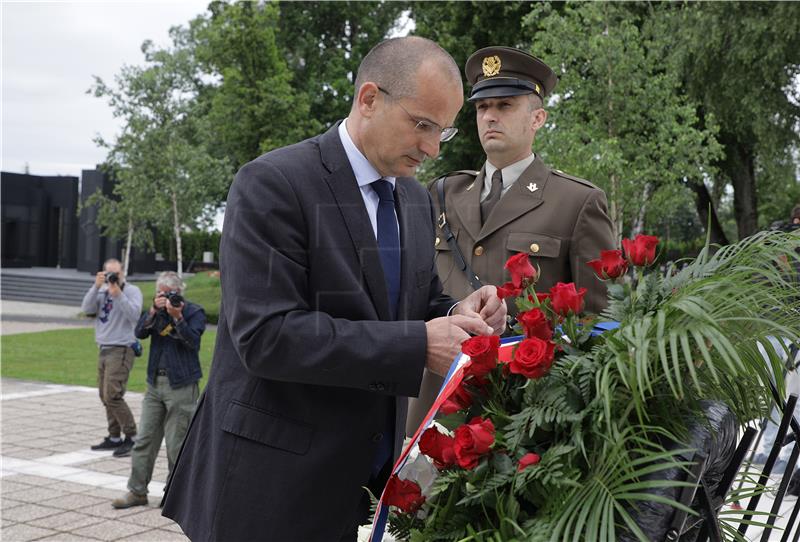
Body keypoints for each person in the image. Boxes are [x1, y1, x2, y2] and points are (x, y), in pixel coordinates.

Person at [161, 36, 506, 541]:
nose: (432, 148)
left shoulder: (412, 199)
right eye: (422, 125)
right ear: (369, 99)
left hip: (354, 492)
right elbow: (267, 336)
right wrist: (418, 343)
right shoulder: (274, 183)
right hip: (268, 491)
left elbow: (413, 300)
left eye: (444, 132)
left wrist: (460, 310)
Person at [407, 46, 616, 434]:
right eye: (482, 106)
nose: (489, 116)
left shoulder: (577, 202)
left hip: (524, 415)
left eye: (504, 105)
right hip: (435, 404)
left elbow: (597, 325)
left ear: (538, 118)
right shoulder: (443, 194)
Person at [111, 271, 206, 509]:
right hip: (155, 384)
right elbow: (139, 333)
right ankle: (137, 491)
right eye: (160, 293)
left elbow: (193, 342)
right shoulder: (156, 311)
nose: (163, 297)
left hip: (182, 385)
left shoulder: (194, 312)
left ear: (178, 292)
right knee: (144, 439)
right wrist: (154, 311)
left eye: (168, 293)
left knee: (177, 444)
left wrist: (178, 318)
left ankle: (177, 496)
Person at [82, 258, 143, 457]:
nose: (112, 278)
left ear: (123, 272)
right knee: (104, 395)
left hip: (122, 348)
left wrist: (119, 295)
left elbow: (135, 316)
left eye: (115, 274)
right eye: (109, 273)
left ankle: (132, 437)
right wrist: (95, 286)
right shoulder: (100, 290)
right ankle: (114, 437)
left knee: (113, 395)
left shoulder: (132, 291)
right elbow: (87, 309)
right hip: (103, 347)